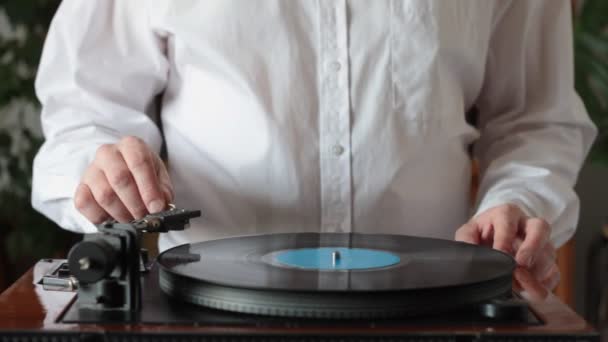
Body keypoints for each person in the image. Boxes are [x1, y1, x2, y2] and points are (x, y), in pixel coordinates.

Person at [32, 0, 596, 290]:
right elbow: (86, 113)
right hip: (201, 312)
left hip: (436, 311)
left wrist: (521, 199)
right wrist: (103, 169)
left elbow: (535, 117)